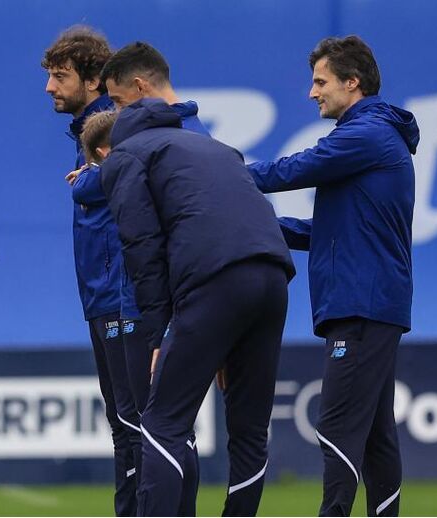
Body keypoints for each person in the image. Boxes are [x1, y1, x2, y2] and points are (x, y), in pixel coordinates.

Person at [246, 35, 417, 517]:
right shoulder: (371, 136)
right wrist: (256, 225)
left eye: (320, 82)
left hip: (361, 304)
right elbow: (326, 231)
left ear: (352, 82)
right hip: (370, 303)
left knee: (337, 428)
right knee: (377, 436)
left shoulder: (366, 134)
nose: (312, 92)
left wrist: (220, 175)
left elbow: (291, 170)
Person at [101, 98, 295, 516]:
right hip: (274, 276)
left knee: (162, 424)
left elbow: (142, 248)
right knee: (249, 431)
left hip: (215, 281)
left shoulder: (125, 156)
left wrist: (157, 332)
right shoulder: (218, 149)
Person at [42, 26, 139, 517]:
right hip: (103, 298)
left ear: (94, 79)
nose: (50, 87)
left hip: (123, 298)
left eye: (61, 76)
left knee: (135, 425)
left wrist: (94, 176)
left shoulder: (116, 131)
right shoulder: (88, 134)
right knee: (125, 424)